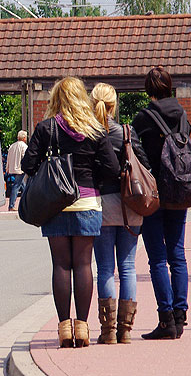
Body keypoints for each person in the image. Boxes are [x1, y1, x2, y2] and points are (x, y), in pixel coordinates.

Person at [21, 77, 119, 348]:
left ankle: (65, 328)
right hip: (87, 202)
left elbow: (27, 164)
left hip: (54, 204)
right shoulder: (95, 129)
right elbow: (112, 169)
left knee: (61, 265)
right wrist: (93, 180)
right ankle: (83, 327)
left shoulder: (46, 128)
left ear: (57, 99)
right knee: (84, 265)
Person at [132, 67, 191, 340]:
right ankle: (180, 315)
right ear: (169, 86)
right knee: (177, 254)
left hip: (153, 194)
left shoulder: (143, 118)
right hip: (179, 191)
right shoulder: (182, 113)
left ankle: (166, 320)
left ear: (148, 89)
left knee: (157, 258)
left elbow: (136, 154)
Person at [90, 83, 150, 345]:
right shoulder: (126, 132)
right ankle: (126, 330)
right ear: (114, 105)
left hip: (101, 204)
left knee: (105, 268)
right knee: (127, 267)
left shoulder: (88, 133)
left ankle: (108, 331)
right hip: (129, 206)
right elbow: (144, 165)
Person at [5, 130, 28, 211]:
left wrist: (7, 168)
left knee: (23, 186)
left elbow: (8, 158)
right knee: (17, 186)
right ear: (24, 138)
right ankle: (11, 205)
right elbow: (25, 157)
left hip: (13, 168)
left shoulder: (12, 146)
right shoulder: (24, 146)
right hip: (20, 169)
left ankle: (27, 203)